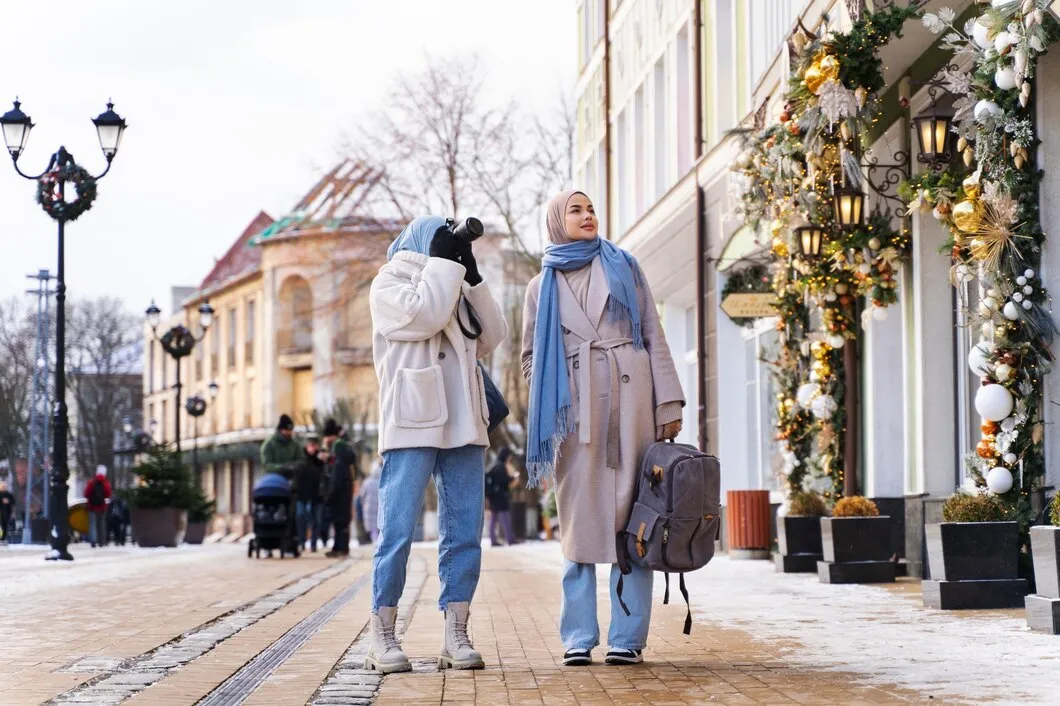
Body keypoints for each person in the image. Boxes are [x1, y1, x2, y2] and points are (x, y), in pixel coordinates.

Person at [521, 191, 684, 667]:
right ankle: (577, 636)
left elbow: (652, 333)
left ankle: (627, 637)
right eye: (576, 210)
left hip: (632, 405)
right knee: (578, 526)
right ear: (556, 220)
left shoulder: (625, 267)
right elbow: (530, 357)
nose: (588, 216)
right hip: (574, 419)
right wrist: (557, 381)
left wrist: (667, 400)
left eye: (590, 208)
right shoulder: (540, 287)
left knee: (636, 522)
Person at [364, 215, 507, 674]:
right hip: (412, 419)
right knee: (398, 531)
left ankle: (456, 630)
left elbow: (493, 336)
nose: (451, 244)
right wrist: (445, 264)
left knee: (465, 530)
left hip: (465, 419)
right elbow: (423, 315)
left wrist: (473, 275)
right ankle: (382, 632)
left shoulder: (453, 279)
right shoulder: (388, 283)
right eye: (443, 237)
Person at [323, 419, 357, 559]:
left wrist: (330, 496)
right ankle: (340, 547)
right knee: (342, 521)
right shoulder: (344, 455)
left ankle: (340, 548)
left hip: (340, 492)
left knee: (339, 521)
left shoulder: (339, 459)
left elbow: (335, 480)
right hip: (346, 490)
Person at [295, 434, 326, 552]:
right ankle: (301, 542)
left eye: (314, 445)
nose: (312, 448)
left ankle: (313, 544)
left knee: (316, 521)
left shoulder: (320, 461)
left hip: (317, 495)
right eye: (310, 445)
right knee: (300, 517)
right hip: (302, 494)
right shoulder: (301, 458)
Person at [485, 448, 517, 547]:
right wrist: (513, 477)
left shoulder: (494, 465)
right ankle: (510, 539)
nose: (509, 459)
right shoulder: (500, 466)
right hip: (500, 497)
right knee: (505, 518)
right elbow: (503, 480)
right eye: (509, 457)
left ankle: (493, 540)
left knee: (494, 519)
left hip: (493, 496)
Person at [260, 414, 304, 479]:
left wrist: (294, 466)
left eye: (291, 430)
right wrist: (282, 467)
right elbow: (267, 465)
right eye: (287, 430)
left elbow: (301, 459)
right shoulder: (269, 444)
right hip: (274, 479)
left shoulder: (294, 444)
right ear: (281, 430)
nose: (289, 432)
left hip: (291, 479)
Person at [84, 466, 113, 548]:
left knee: (92, 524)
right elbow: (108, 494)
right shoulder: (106, 483)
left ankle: (93, 541)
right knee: (101, 524)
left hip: (92, 507)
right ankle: (101, 542)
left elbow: (86, 493)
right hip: (102, 507)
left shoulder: (91, 482)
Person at [359, 460, 381, 543]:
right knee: (379, 524)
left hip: (369, 507)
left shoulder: (367, 482)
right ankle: (378, 540)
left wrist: (363, 503)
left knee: (372, 526)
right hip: (379, 507)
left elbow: (362, 495)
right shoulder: (382, 481)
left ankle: (374, 538)